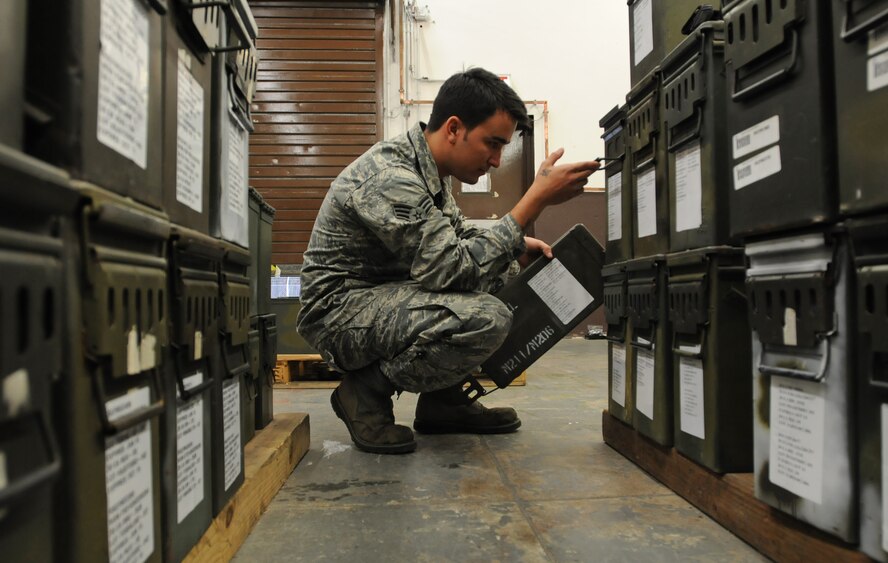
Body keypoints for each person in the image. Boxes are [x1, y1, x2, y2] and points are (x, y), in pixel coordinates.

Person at [296, 67, 599, 454]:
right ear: (454, 128)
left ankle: (444, 401)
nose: (496, 159)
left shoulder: (431, 174)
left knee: (503, 268)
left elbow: (456, 240)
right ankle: (365, 393)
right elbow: (450, 269)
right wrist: (532, 203)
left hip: (382, 298)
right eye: (492, 144)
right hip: (339, 313)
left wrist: (514, 244)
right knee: (486, 317)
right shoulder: (391, 176)